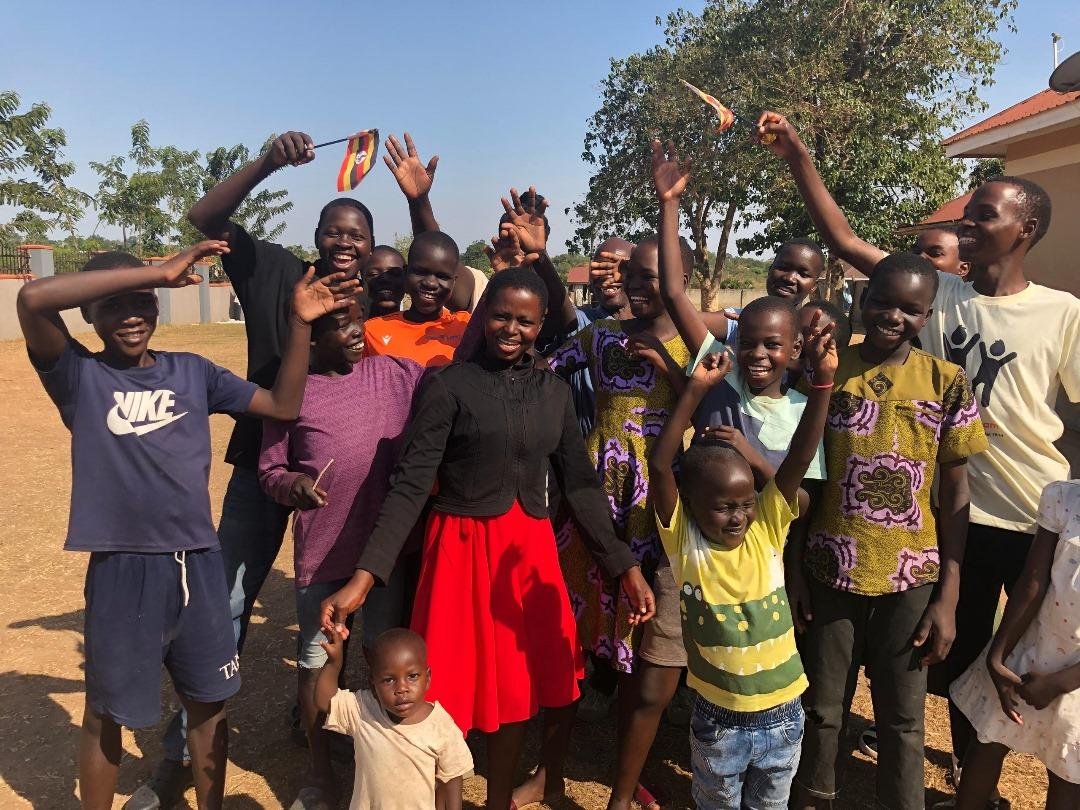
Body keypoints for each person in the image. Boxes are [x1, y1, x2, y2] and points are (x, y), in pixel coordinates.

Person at [757, 110, 1080, 798]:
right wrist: (798, 153)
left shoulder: (1062, 313)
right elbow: (841, 238)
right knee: (948, 660)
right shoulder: (939, 294)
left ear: (1025, 228)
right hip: (932, 522)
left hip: (1027, 519)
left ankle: (973, 787)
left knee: (1002, 666)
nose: (969, 221)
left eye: (984, 213)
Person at [15, 241, 356, 810]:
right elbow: (31, 299)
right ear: (89, 314)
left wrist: (300, 323)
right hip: (124, 566)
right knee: (107, 710)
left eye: (142, 301)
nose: (131, 315)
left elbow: (283, 404)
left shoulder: (191, 372)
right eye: (113, 303)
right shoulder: (78, 375)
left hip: (199, 561)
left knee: (209, 702)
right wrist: (156, 270)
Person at [319, 268, 656, 810]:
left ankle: (498, 802)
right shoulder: (449, 385)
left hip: (528, 558)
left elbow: (581, 486)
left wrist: (624, 566)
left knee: (521, 691)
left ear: (541, 324)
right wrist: (365, 576)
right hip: (460, 551)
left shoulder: (553, 392)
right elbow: (409, 485)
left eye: (525, 320)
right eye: (500, 315)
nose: (511, 328)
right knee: (440, 696)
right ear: (482, 316)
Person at [133, 130, 376, 806]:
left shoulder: (382, 294)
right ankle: (179, 758)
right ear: (319, 237)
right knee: (222, 608)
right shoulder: (274, 270)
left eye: (357, 232)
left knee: (323, 626)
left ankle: (320, 751)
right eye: (334, 230)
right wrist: (269, 161)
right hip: (261, 471)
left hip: (340, 492)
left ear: (370, 242)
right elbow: (205, 221)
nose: (344, 241)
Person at [602, 140, 829, 810]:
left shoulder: (793, 412)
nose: (756, 356)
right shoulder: (720, 374)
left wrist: (756, 459)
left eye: (772, 347)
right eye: (748, 343)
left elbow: (800, 496)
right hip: (693, 553)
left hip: (760, 562)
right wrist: (670, 205)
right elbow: (673, 290)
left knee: (750, 681)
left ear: (791, 354)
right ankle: (636, 780)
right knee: (661, 673)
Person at [792, 252, 988, 809]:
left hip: (912, 575)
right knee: (824, 708)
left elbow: (954, 495)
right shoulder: (829, 371)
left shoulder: (946, 382)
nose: (892, 316)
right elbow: (808, 481)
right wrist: (796, 572)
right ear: (862, 296)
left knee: (903, 718)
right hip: (830, 568)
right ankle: (813, 798)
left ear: (927, 316)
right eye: (881, 301)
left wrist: (948, 594)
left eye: (910, 308)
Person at [648, 308, 837, 810]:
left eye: (745, 504)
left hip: (784, 714)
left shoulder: (767, 530)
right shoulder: (684, 545)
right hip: (718, 719)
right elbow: (660, 465)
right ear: (691, 507)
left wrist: (823, 385)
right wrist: (692, 391)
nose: (737, 517)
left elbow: (797, 460)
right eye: (723, 507)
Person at [258, 296, 425, 808]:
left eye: (356, 319)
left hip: (386, 558)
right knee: (316, 663)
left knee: (384, 661)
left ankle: (381, 765)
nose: (356, 332)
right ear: (309, 337)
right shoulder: (292, 392)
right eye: (339, 325)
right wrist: (295, 486)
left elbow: (458, 375)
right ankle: (321, 774)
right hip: (323, 557)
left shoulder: (396, 374)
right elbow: (269, 471)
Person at [948, 479, 1080, 810]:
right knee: (988, 741)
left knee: (1068, 775)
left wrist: (1061, 683)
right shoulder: (1062, 497)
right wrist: (998, 657)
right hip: (1031, 651)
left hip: (1076, 680)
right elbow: (1032, 582)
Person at [316, 627, 474, 810]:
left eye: (412, 676)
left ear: (428, 678)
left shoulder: (440, 726)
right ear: (373, 684)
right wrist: (334, 663)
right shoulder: (363, 709)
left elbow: (452, 778)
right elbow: (323, 701)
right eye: (389, 680)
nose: (402, 688)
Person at [362, 230, 470, 367]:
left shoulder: (467, 326)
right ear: (406, 272)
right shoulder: (372, 331)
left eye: (442, 276)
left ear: (454, 282)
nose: (430, 283)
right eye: (421, 272)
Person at [362, 246, 407, 317]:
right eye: (374, 274)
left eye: (394, 273)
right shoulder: (351, 325)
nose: (385, 279)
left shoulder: (423, 324)